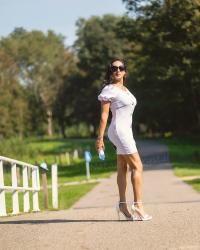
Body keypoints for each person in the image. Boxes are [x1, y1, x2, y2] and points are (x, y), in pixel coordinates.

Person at [95, 58, 152, 221]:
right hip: (119, 131)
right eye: (114, 68)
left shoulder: (125, 90)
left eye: (121, 68)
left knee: (123, 167)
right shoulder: (109, 89)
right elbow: (104, 115)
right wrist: (100, 139)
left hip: (125, 130)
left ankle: (122, 204)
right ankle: (138, 205)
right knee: (138, 166)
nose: (118, 70)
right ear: (111, 72)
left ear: (125, 71)